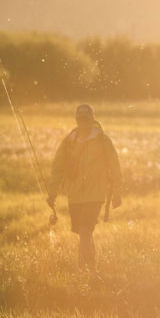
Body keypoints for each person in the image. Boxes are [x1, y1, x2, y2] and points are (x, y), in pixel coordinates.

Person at [48, 104, 122, 268]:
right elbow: (57, 169)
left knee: (85, 229)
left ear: (92, 120)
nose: (83, 123)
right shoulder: (69, 142)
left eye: (86, 119)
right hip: (75, 194)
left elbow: (115, 167)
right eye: (80, 119)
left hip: (95, 194)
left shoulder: (103, 141)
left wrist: (117, 193)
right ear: (76, 120)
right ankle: (92, 268)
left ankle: (81, 270)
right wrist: (52, 193)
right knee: (84, 232)